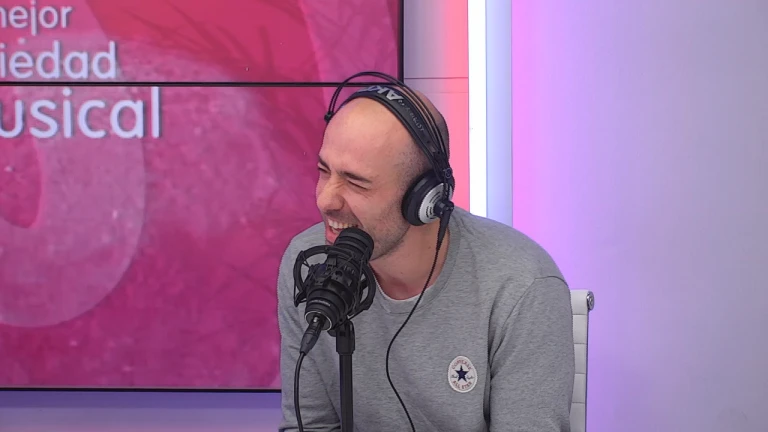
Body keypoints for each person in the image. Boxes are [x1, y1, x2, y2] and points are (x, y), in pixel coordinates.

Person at [276, 76, 575, 431]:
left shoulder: (522, 285)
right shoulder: (310, 263)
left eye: (356, 182)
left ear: (424, 199)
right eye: (324, 171)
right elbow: (310, 425)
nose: (325, 199)